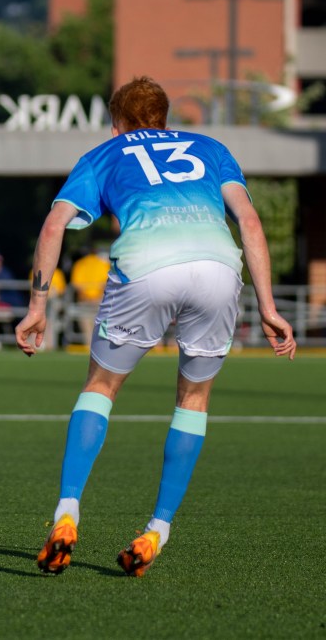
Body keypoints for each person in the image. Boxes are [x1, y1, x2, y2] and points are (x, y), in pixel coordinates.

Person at [15, 76, 297, 576]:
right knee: (193, 399)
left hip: (145, 266)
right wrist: (270, 307)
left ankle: (66, 514)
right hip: (217, 268)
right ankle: (156, 531)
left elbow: (55, 224)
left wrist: (38, 305)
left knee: (101, 387)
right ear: (165, 119)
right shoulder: (211, 148)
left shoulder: (104, 154)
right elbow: (249, 223)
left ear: (116, 122)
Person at [69, 245, 111, 347]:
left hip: (84, 299)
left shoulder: (80, 264)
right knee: (101, 324)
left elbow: (76, 284)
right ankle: (100, 347)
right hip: (99, 299)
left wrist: (85, 295)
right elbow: (106, 281)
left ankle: (89, 346)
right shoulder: (103, 264)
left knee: (86, 325)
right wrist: (97, 295)